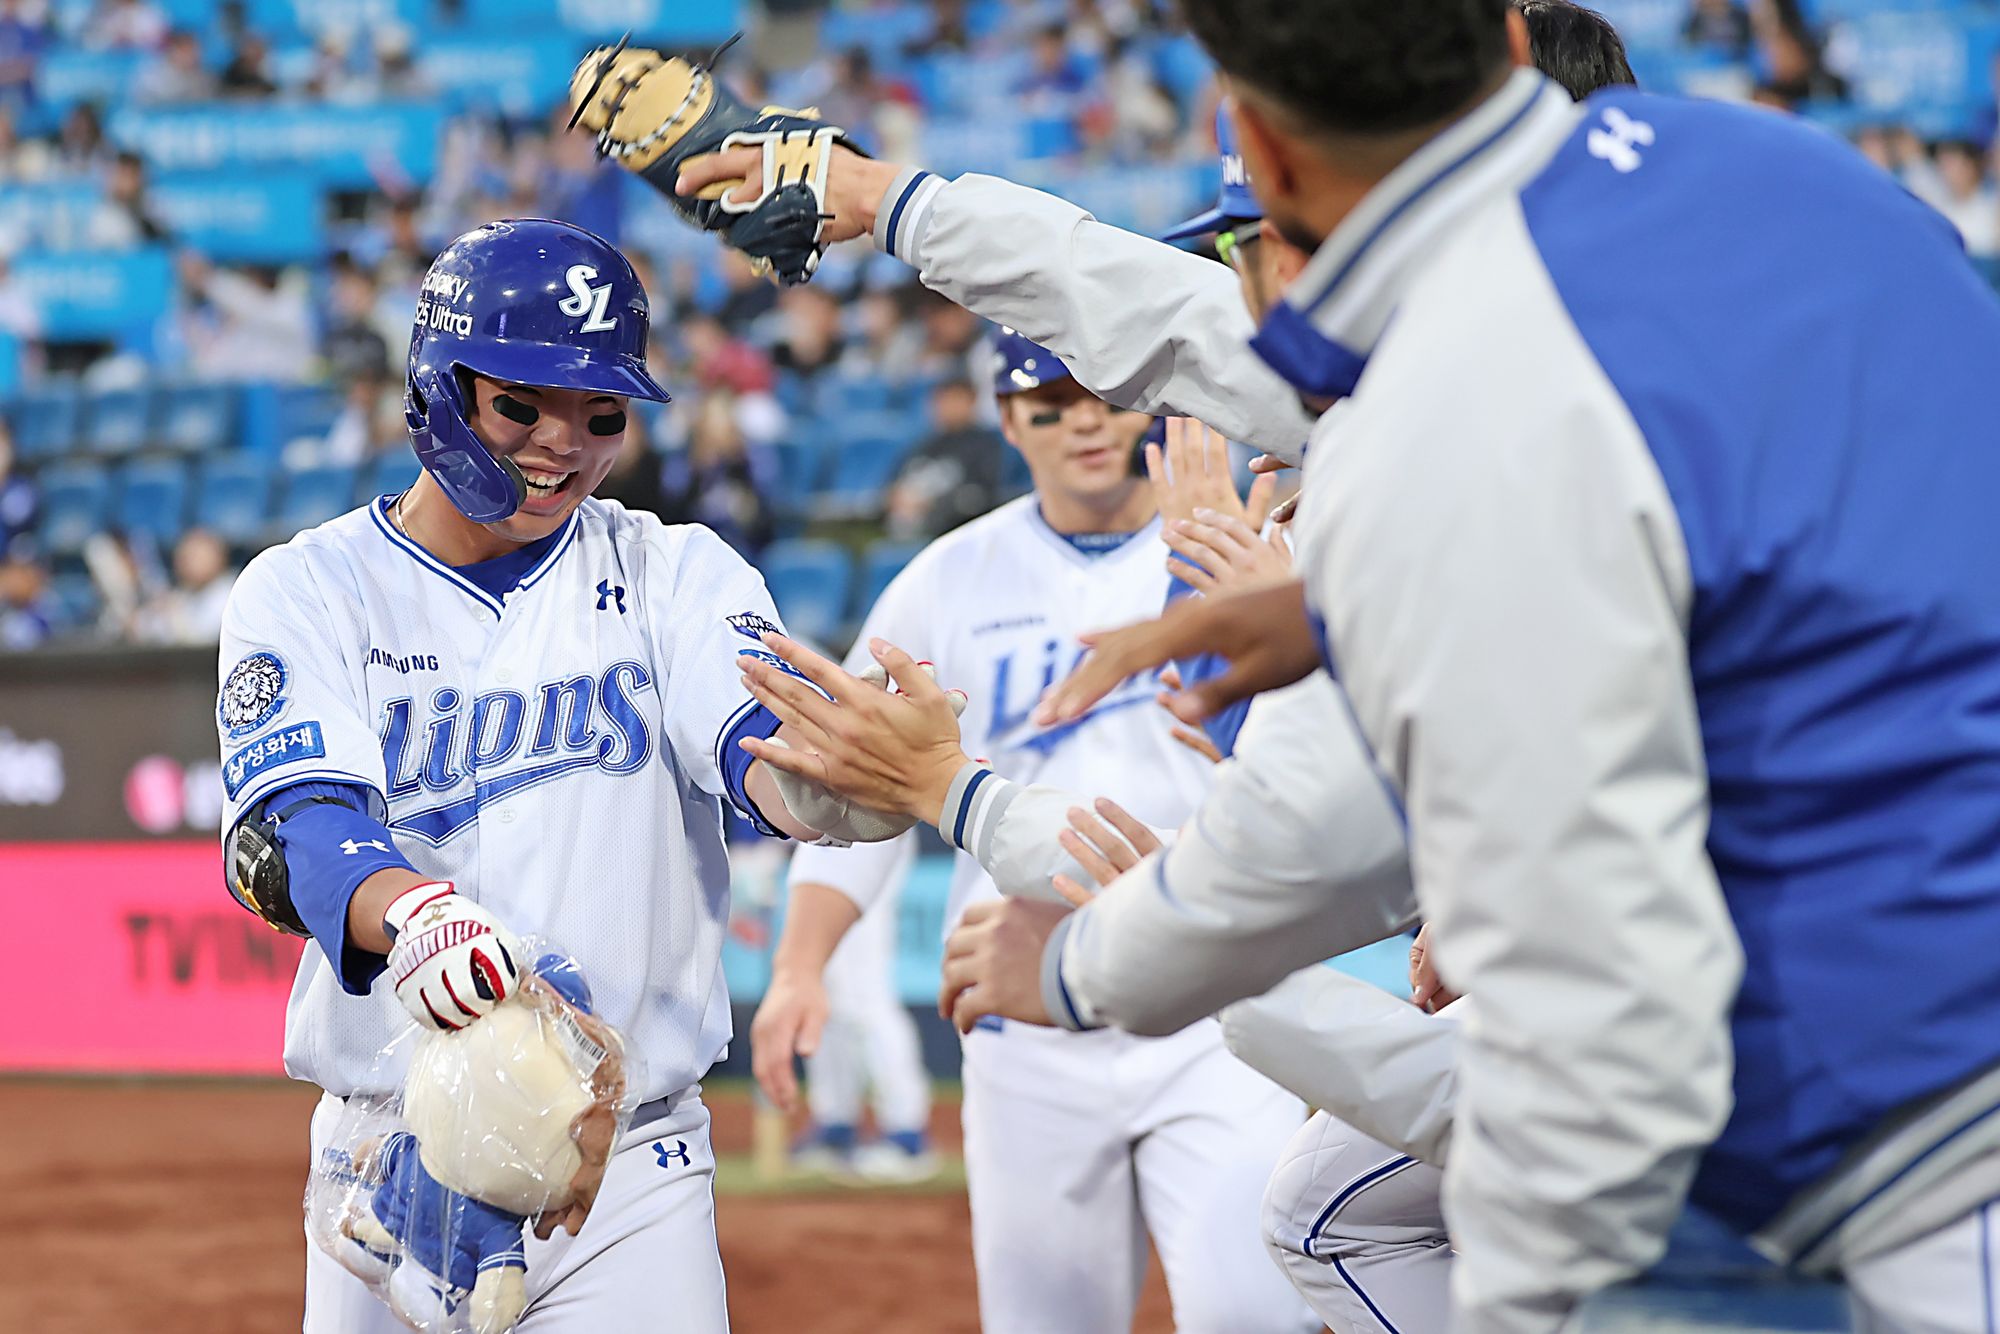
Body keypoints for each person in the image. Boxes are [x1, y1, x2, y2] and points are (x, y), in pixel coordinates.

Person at [987, 0, 2000, 1329]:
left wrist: (1062, 929)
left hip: (1881, 1039)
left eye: (1273, 242)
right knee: (1344, 1198)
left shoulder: (1514, 374)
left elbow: (1329, 825)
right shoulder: (1764, 204)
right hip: (1817, 996)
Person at [212, 218, 912, 1332]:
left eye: (601, 414)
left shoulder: (672, 570)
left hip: (621, 1165)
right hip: (390, 1154)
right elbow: (299, 819)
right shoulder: (308, 587)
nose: (563, 444)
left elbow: (752, 754)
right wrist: (420, 912)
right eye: (522, 403)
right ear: (443, 385)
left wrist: (842, 787)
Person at [746, 330, 1315, 1334]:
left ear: (1144, 401)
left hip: (1211, 998)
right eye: (1047, 401)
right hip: (1021, 1011)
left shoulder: (1223, 544)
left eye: (1099, 392)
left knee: (1252, 1311)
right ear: (1008, 422)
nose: (1083, 419)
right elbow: (876, 792)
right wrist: (799, 964)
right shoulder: (947, 576)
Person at [882, 378, 1007, 540]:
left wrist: (931, 504)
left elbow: (979, 494)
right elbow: (891, 484)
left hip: (958, 531)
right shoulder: (924, 444)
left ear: (971, 401)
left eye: (955, 399)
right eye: (942, 399)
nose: (948, 406)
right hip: (906, 527)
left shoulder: (985, 445)